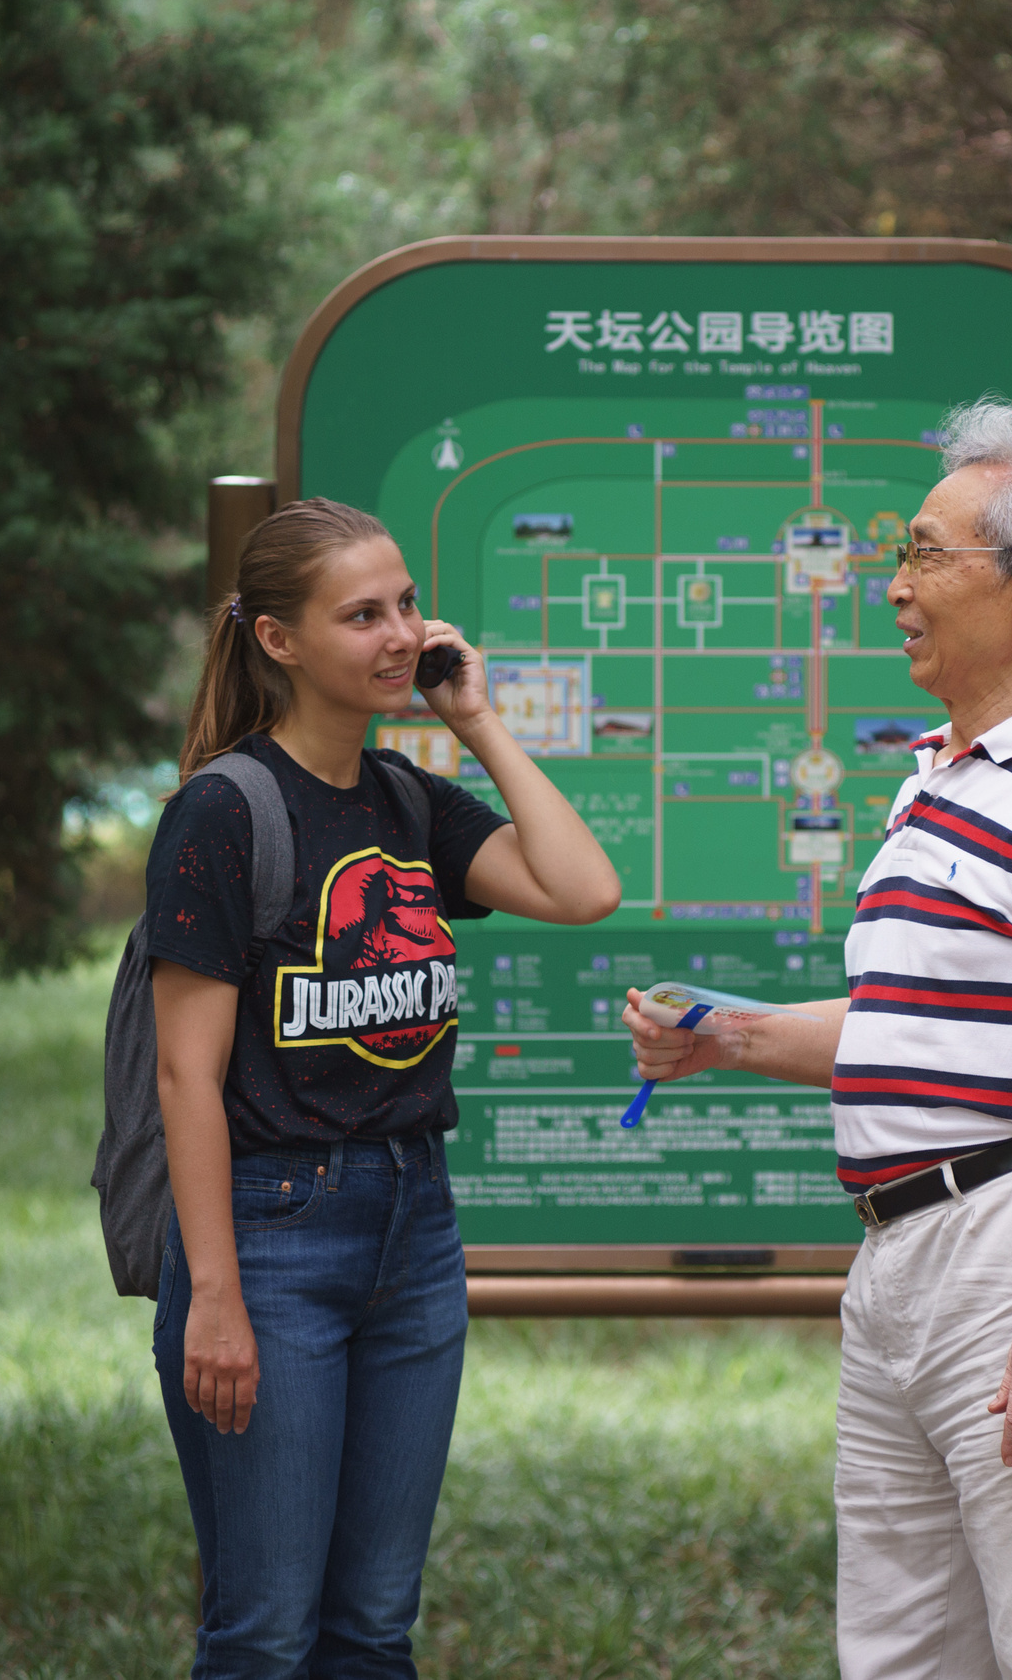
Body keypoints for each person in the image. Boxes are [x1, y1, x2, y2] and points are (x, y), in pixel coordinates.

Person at [624, 401, 1012, 1679]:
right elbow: (912, 1032)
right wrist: (726, 1037)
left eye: (926, 555)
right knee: (902, 1656)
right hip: (899, 1261)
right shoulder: (934, 776)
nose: (895, 587)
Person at [145, 496, 619, 1677]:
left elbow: (580, 889)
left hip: (415, 1231)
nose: (401, 633)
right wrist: (214, 1296)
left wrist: (477, 720)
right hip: (271, 1237)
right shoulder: (223, 810)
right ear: (278, 641)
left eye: (405, 603)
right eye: (363, 615)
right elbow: (184, 1076)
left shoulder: (406, 800)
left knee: (371, 1628)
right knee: (264, 1631)